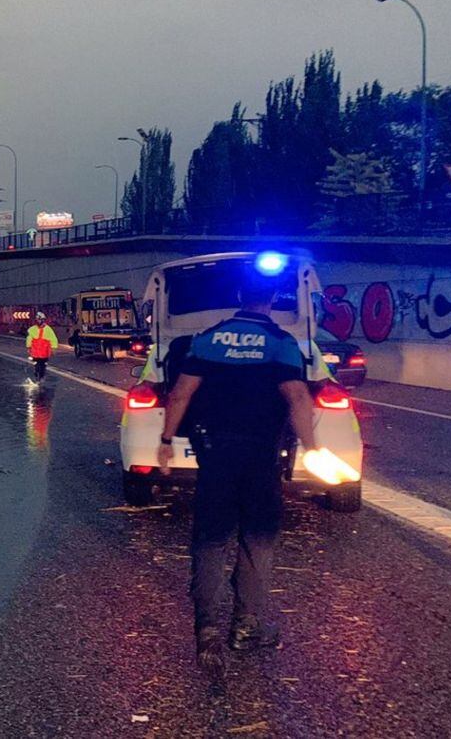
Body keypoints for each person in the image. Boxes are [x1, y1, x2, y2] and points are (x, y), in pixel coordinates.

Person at [156, 265, 318, 682]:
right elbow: (298, 397)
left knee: (210, 538)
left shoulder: (208, 340)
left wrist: (166, 438)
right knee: (257, 540)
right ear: (274, 298)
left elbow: (181, 393)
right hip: (261, 455)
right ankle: (246, 627)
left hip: (216, 453)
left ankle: (206, 625)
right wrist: (312, 447)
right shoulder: (282, 344)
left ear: (241, 294)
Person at [25, 312, 58, 381]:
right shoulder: (32, 329)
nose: (38, 321)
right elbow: (29, 339)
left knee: (43, 365)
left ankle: (41, 376)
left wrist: (54, 348)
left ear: (43, 320)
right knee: (37, 364)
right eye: (37, 320)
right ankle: (37, 375)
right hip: (36, 352)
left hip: (44, 352)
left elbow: (53, 339)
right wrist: (28, 347)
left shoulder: (48, 330)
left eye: (39, 320)